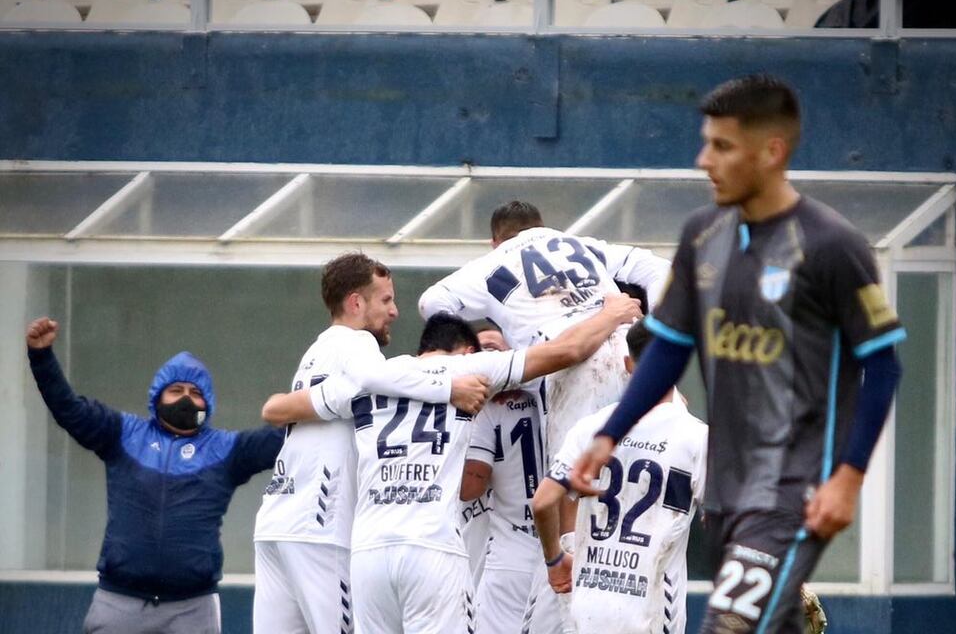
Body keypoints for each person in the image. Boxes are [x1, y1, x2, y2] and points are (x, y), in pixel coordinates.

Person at [571, 74, 905, 633]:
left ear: (772, 151)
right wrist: (611, 434)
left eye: (722, 146)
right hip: (727, 488)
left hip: (795, 487)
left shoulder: (832, 245)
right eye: (707, 143)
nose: (704, 160)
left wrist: (848, 477)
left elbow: (884, 363)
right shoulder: (703, 235)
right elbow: (668, 347)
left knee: (728, 625)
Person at [261, 294, 642, 634]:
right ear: (466, 351)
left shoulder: (374, 379)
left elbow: (277, 409)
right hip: (433, 548)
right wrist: (612, 313)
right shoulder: (471, 370)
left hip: (369, 554)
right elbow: (567, 351)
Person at [251, 252, 488, 634]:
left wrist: (281, 406)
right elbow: (376, 379)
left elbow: (276, 408)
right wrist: (450, 387)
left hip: (276, 522)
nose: (394, 311)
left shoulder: (317, 350)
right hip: (322, 527)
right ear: (355, 303)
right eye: (386, 300)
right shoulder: (357, 343)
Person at [25, 317, 284, 634]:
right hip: (119, 603)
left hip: (192, 608)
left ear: (207, 402)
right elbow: (68, 408)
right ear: (157, 396)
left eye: (195, 392)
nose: (186, 398)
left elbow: (287, 440)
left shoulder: (227, 449)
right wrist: (41, 356)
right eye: (176, 390)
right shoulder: (122, 433)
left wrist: (324, 402)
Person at [418, 200, 671, 461]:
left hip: (569, 364)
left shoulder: (488, 264)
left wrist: (482, 366)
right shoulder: (580, 244)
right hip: (630, 352)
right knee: (647, 464)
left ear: (494, 241)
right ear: (541, 226)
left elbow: (431, 302)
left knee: (574, 475)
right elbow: (659, 269)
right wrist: (650, 332)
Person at [529, 320, 706, 634]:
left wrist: (554, 560)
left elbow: (542, 502)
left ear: (627, 364)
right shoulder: (697, 437)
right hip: (652, 611)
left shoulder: (591, 428)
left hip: (588, 607)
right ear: (677, 369)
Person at [460, 320, 546, 634]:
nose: (488, 359)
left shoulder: (488, 412)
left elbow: (470, 486)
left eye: (494, 349)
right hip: (549, 553)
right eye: (480, 351)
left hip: (513, 554)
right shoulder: (551, 397)